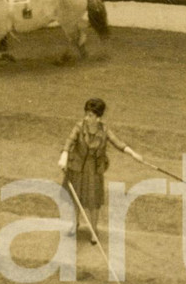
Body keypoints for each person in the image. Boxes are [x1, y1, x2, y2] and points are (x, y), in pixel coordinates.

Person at [58, 98, 143, 244]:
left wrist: (133, 153)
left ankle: (94, 229)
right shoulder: (79, 127)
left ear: (98, 118)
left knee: (93, 202)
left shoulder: (105, 130)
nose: (86, 118)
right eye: (86, 114)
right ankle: (74, 224)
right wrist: (64, 156)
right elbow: (69, 141)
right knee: (75, 198)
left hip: (94, 170)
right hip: (77, 167)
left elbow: (118, 143)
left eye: (90, 115)